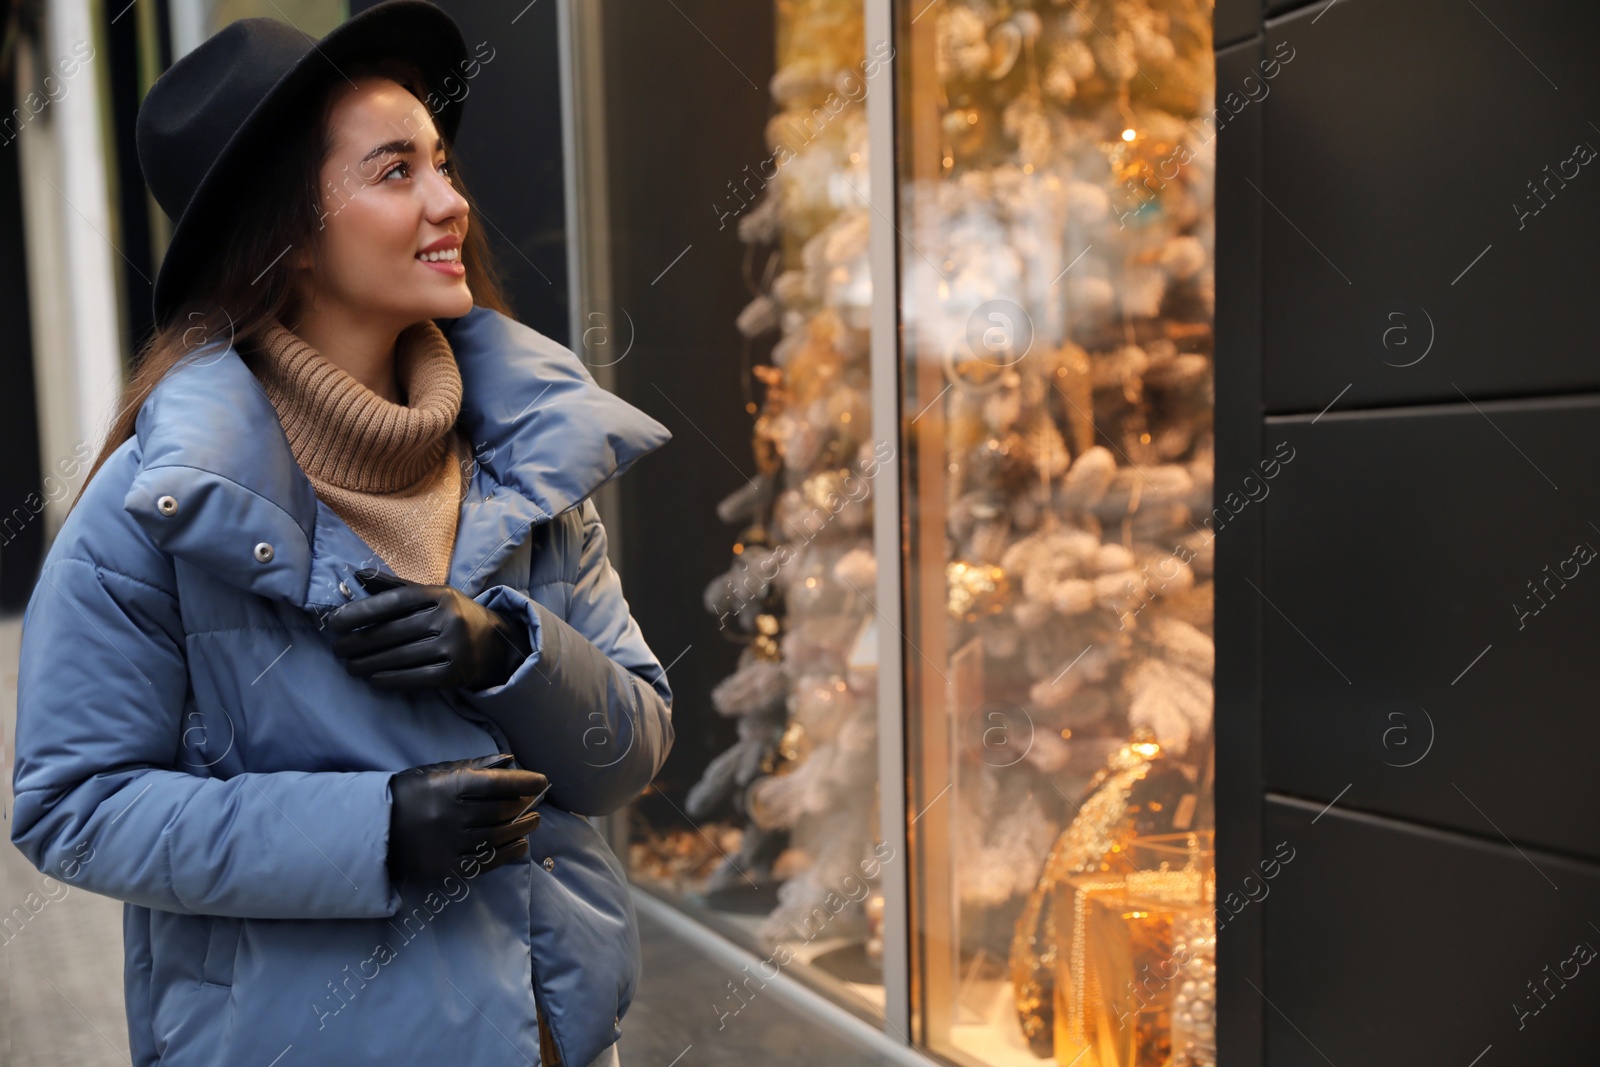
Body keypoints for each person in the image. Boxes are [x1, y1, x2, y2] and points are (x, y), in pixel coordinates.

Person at [8, 4, 673, 1065]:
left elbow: (629, 752)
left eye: (444, 164)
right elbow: (73, 806)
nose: (451, 201)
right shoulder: (157, 508)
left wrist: (511, 652)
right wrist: (371, 828)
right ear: (288, 234)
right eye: (395, 171)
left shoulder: (533, 458)